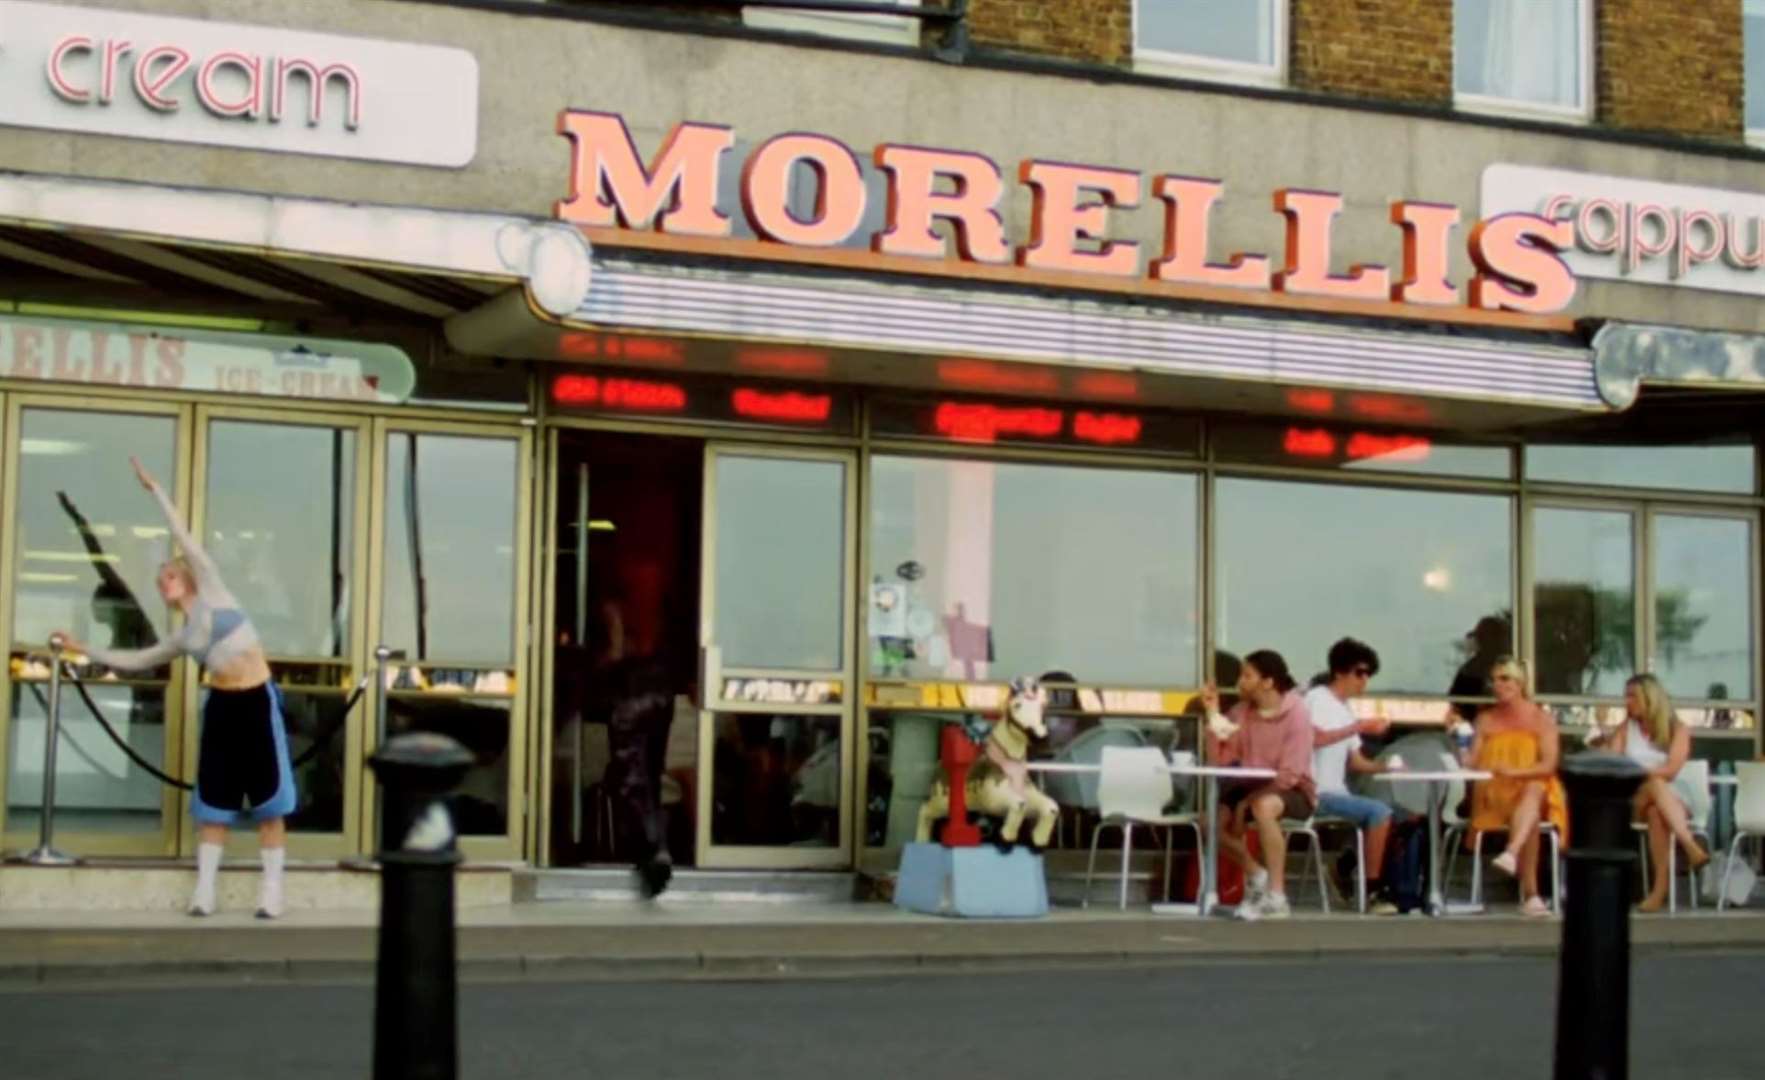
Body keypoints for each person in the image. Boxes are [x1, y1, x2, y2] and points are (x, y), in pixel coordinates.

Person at [57, 457, 293, 918]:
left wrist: (156, 490)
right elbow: (134, 659)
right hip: (222, 706)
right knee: (214, 804)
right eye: (159, 578)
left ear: (185, 575)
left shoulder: (215, 592)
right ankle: (204, 891)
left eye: (167, 574)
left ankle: (273, 891)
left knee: (269, 803)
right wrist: (81, 646)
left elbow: (183, 535)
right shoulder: (183, 637)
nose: (161, 581)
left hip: (257, 703)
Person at [1202, 649, 1316, 921]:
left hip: (1293, 788)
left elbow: (1291, 772)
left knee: (1264, 807)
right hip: (1248, 784)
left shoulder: (1297, 712)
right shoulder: (1241, 713)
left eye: (1247, 675)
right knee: (1209, 823)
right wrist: (1213, 717)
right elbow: (1220, 760)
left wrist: (1246, 804)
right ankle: (1255, 873)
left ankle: (1277, 896)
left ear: (1268, 681)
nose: (1240, 681)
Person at [1305, 638, 1402, 915]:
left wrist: (1387, 767)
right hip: (1317, 791)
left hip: (1338, 791)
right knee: (1379, 812)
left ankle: (1345, 866)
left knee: (1402, 816)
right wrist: (1358, 726)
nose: (1364, 680)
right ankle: (1372, 890)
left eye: (1368, 674)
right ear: (1339, 671)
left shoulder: (1345, 708)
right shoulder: (1316, 699)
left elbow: (1357, 762)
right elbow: (1314, 739)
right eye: (1359, 672)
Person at [1465, 656, 1567, 917]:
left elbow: (1548, 765)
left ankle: (1512, 854)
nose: (1499, 685)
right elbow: (1471, 762)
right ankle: (1531, 895)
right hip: (1495, 791)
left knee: (1533, 788)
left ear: (1520, 682)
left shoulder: (1541, 719)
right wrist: (1459, 745)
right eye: (1495, 680)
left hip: (1535, 787)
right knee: (1529, 815)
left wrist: (1516, 772)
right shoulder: (1485, 720)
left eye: (1505, 678)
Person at [1606, 673, 1710, 912]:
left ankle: (1659, 890)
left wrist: (1643, 772)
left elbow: (1672, 770)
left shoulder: (1678, 730)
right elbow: (1613, 765)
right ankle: (1690, 845)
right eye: (1626, 696)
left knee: (1656, 813)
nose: (1627, 701)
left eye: (1632, 696)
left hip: (1673, 800)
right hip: (1635, 797)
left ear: (1650, 698)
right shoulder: (1625, 729)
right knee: (1654, 785)